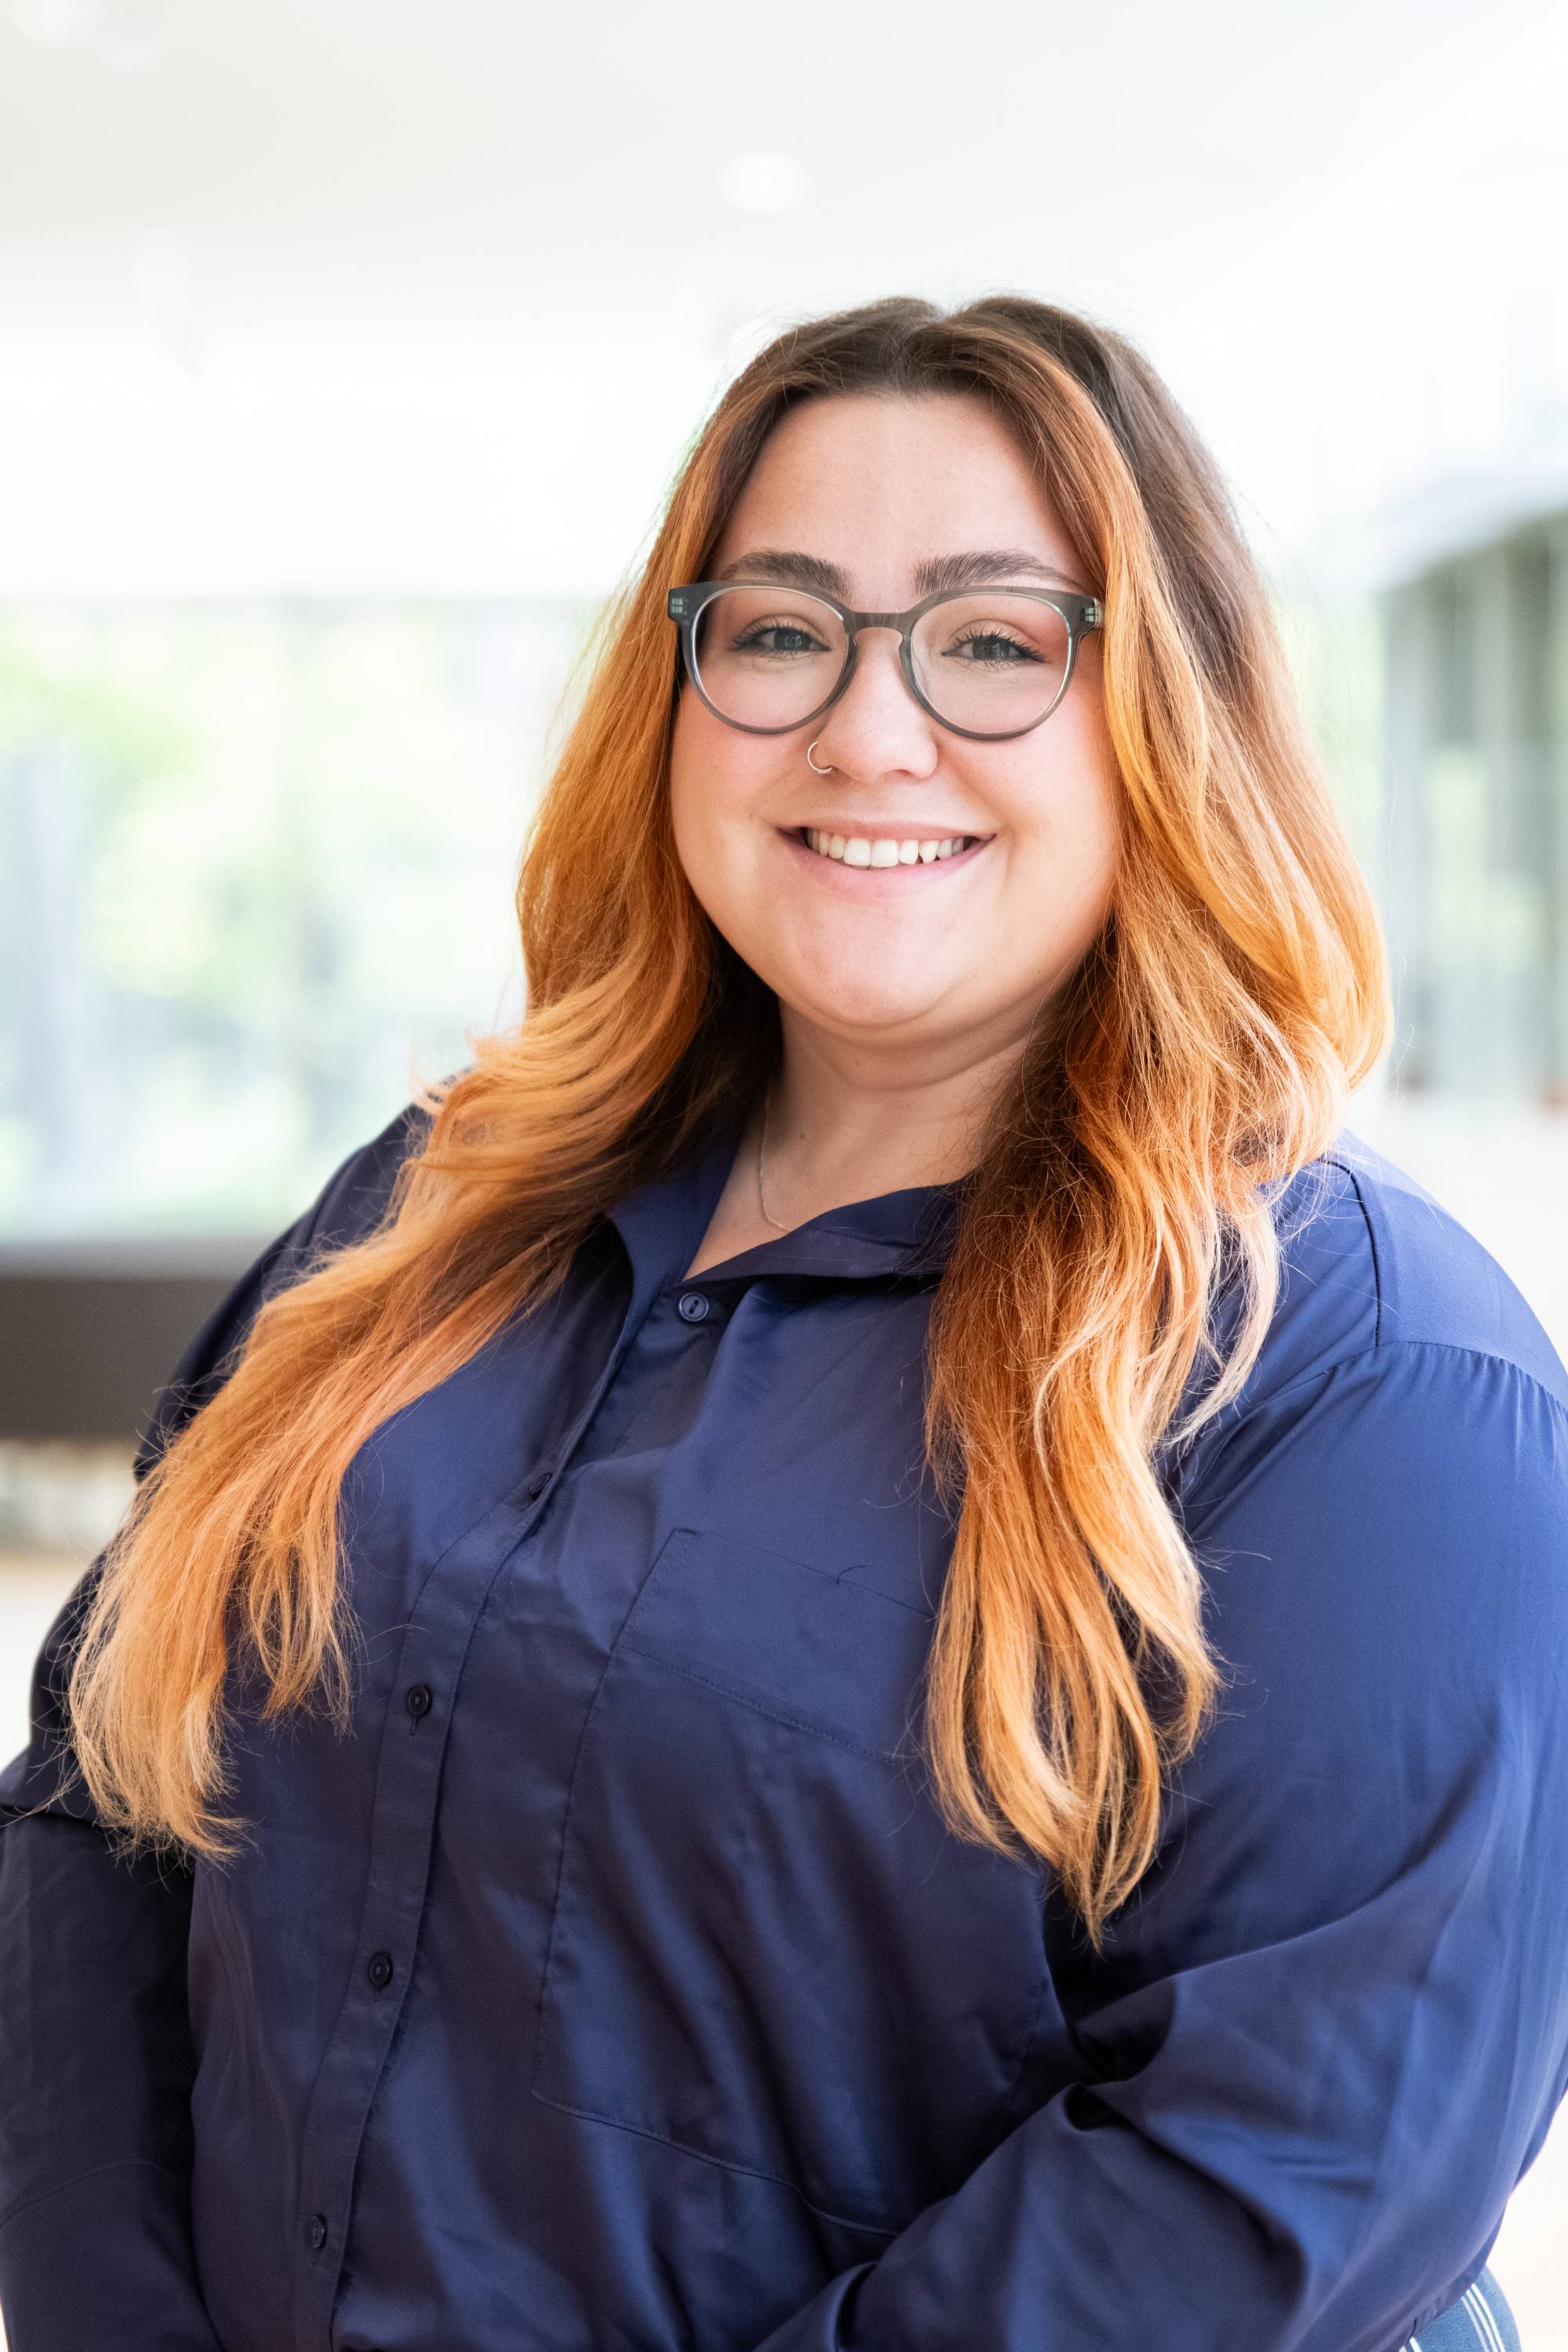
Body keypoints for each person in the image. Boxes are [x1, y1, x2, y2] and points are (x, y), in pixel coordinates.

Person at [1, 295, 1562, 2352]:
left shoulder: (1368, 1387)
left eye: (996, 638)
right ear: (678, 690)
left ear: (1165, 716)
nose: (870, 728)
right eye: (777, 628)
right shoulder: (421, 1211)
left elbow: (1249, 2188)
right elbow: (101, 1795)